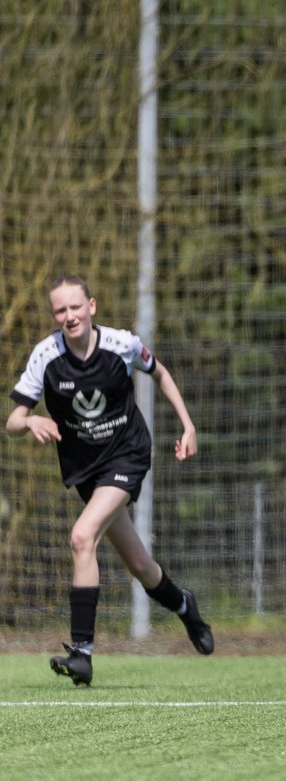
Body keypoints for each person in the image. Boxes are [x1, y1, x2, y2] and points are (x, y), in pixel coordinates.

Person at [6, 275, 214, 686]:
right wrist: (30, 420)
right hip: (88, 471)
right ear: (54, 316)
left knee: (82, 537)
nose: (69, 316)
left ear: (92, 306)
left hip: (128, 454)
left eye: (76, 307)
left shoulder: (122, 344)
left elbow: (161, 374)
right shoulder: (45, 356)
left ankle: (82, 653)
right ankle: (184, 606)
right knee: (140, 566)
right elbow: (12, 421)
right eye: (60, 310)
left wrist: (188, 426)